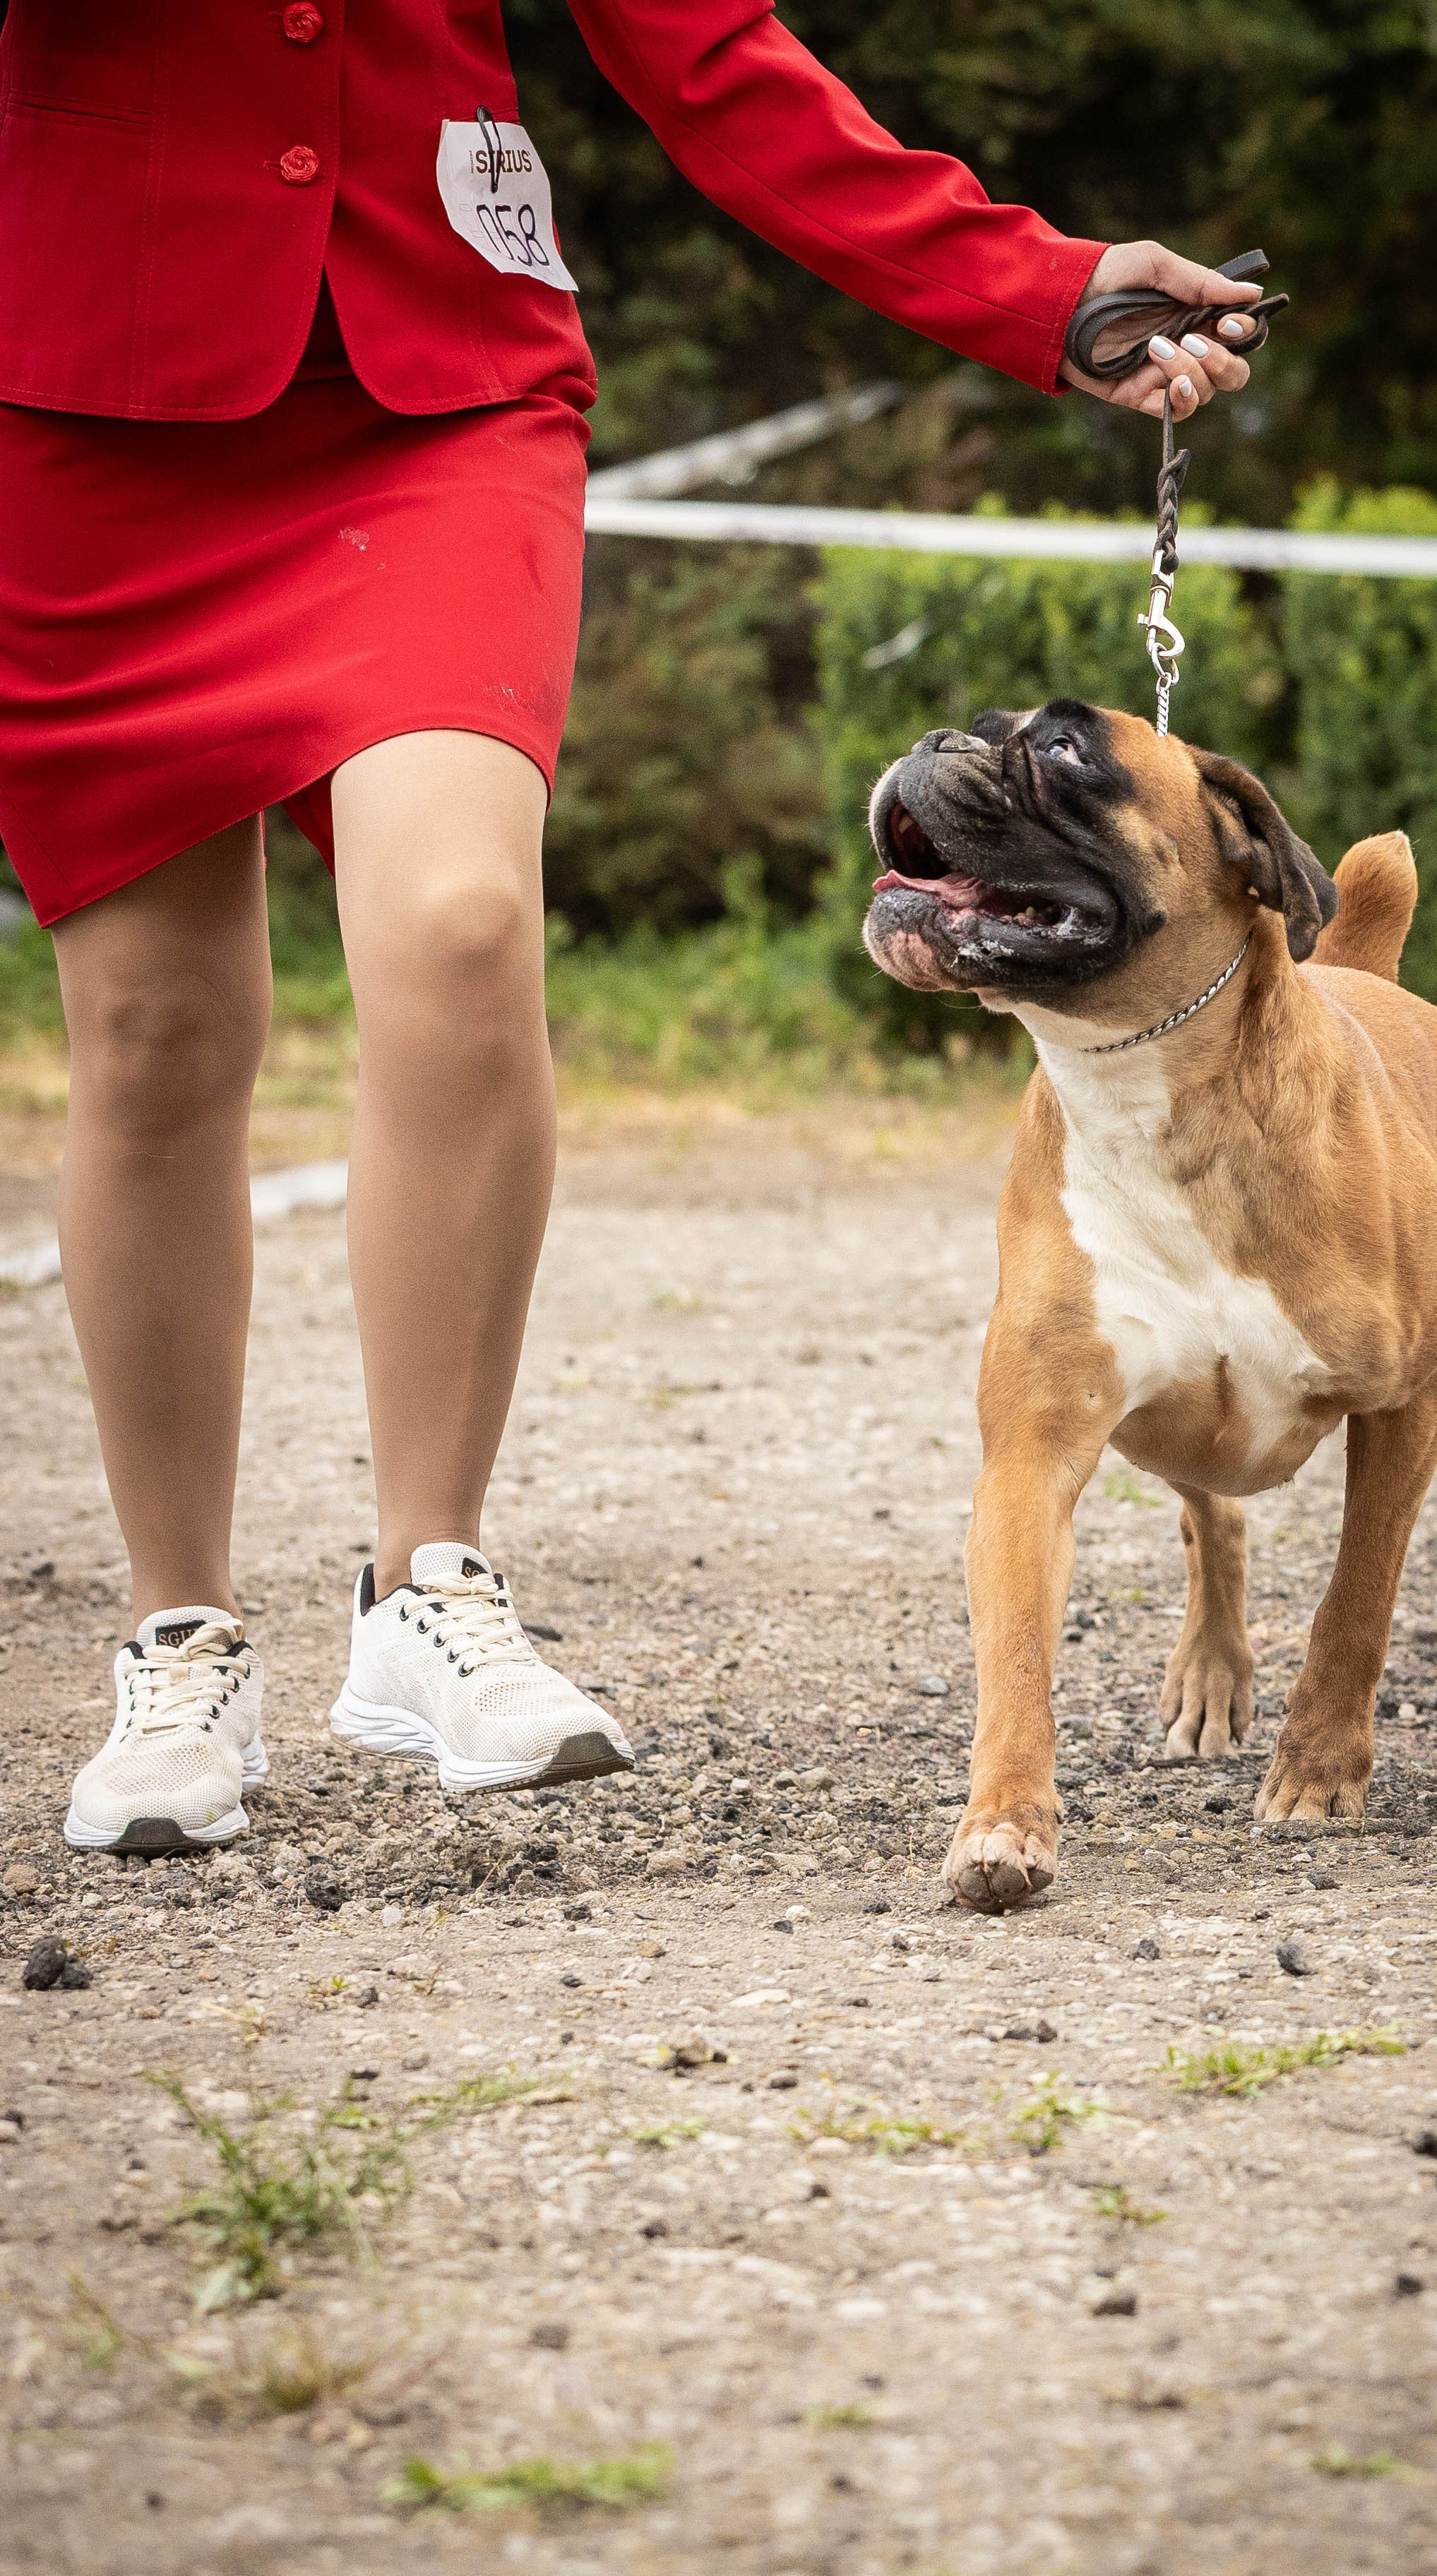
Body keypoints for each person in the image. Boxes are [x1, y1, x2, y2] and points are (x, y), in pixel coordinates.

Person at [0, 0, 1261, 1856]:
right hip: (81, 392)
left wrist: (1032, 284)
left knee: (459, 924)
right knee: (153, 1038)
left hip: (441, 376)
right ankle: (177, 1641)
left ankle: (430, 1583)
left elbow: (707, 44)